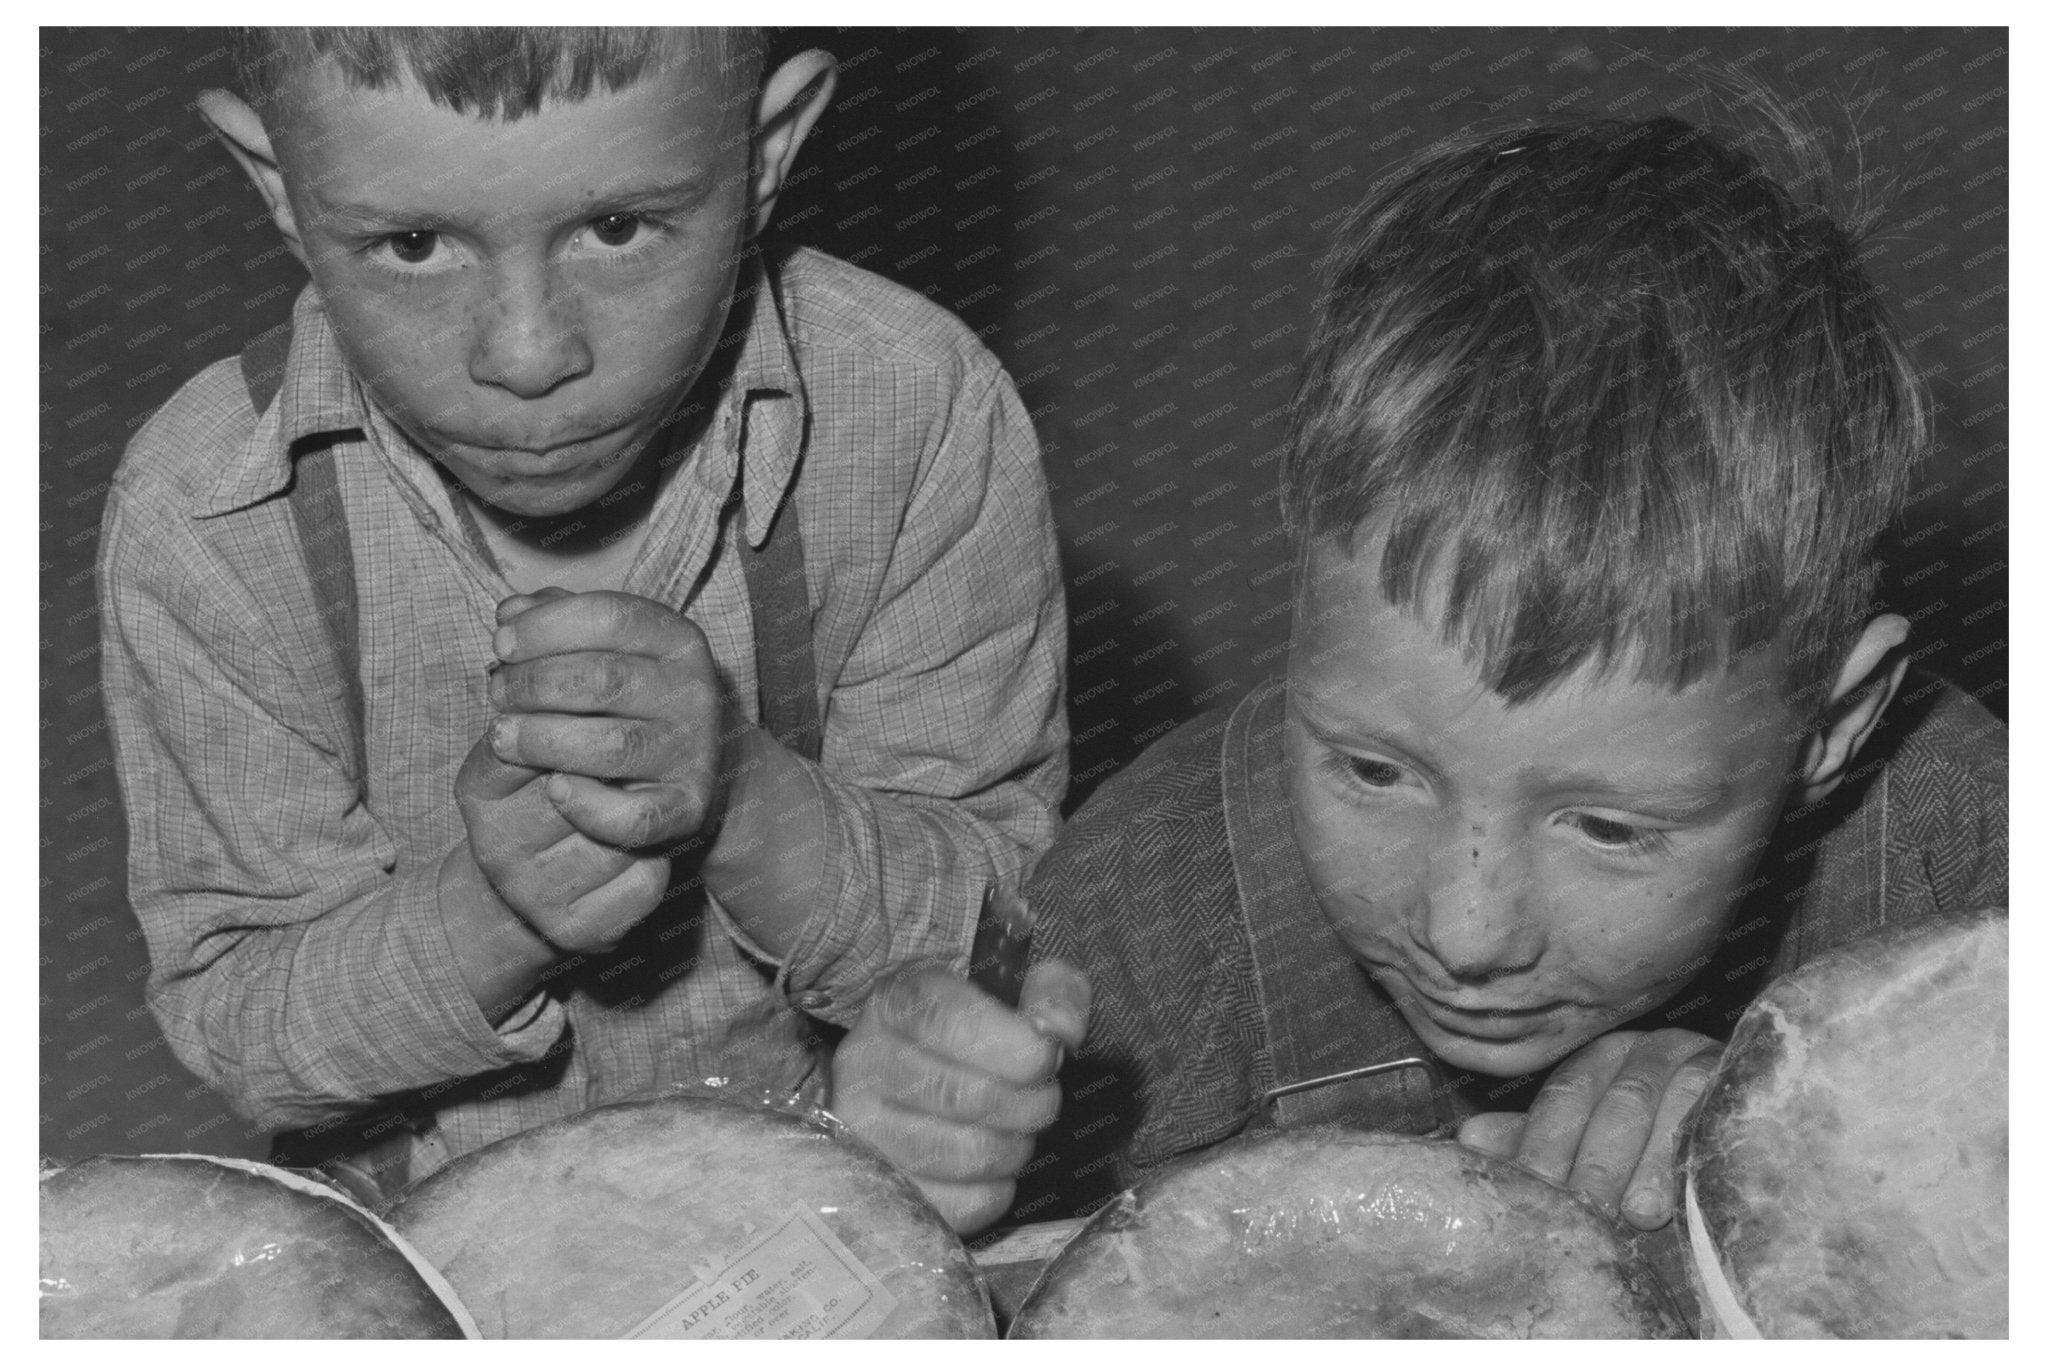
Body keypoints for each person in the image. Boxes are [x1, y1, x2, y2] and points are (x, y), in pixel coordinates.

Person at [833, 111, 2005, 1241]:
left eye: (1603, 827)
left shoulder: (1969, 859)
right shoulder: (1147, 913)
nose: (1466, 930)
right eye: (1373, 768)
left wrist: (1815, 1123)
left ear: (1835, 724)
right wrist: (901, 1166)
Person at [97, 27, 1068, 1201]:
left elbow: (1002, 936)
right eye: (411, 244)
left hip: (842, 1181)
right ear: (278, 188)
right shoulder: (206, 514)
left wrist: (743, 796)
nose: (526, 355)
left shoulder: (914, 410)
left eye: (616, 230)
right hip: (421, 1213)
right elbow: (244, 1029)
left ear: (768, 151)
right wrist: (488, 916)